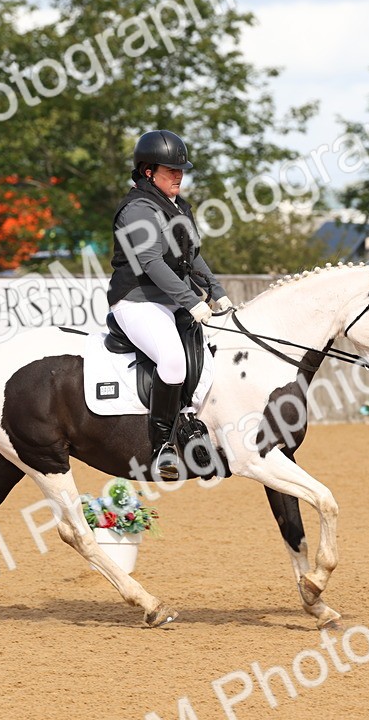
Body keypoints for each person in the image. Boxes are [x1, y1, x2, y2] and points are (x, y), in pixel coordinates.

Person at [107, 129, 232, 480]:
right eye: (170, 170)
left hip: (171, 302)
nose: (178, 175)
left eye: (181, 170)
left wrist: (217, 291)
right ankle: (163, 445)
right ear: (148, 171)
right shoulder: (136, 209)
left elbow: (193, 257)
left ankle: (194, 428)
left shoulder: (177, 207)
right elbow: (151, 262)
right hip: (137, 301)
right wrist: (191, 300)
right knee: (174, 362)